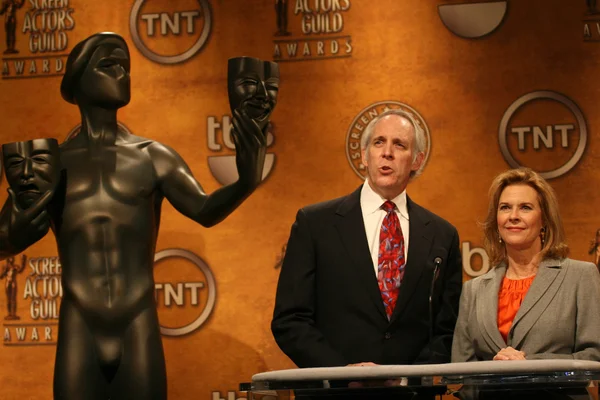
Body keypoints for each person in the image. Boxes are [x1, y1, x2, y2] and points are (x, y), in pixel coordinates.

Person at [0, 32, 276, 400]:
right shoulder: (54, 164)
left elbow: (205, 211)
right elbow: (5, 239)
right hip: (79, 324)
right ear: (77, 79)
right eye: (109, 64)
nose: (123, 74)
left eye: (126, 67)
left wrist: (245, 182)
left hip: (138, 323)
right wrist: (17, 223)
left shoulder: (153, 156)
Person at [272, 108, 463, 369]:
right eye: (378, 142)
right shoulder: (315, 224)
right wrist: (340, 373)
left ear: (417, 160)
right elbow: (290, 319)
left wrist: (408, 378)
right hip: (333, 392)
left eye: (399, 144)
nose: (387, 152)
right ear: (364, 155)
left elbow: (447, 328)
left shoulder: (443, 235)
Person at [452, 168, 600, 363]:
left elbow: (594, 356)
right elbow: (461, 370)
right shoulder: (473, 290)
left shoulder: (580, 277)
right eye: (505, 207)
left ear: (544, 220)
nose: (513, 216)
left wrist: (528, 365)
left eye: (525, 208)